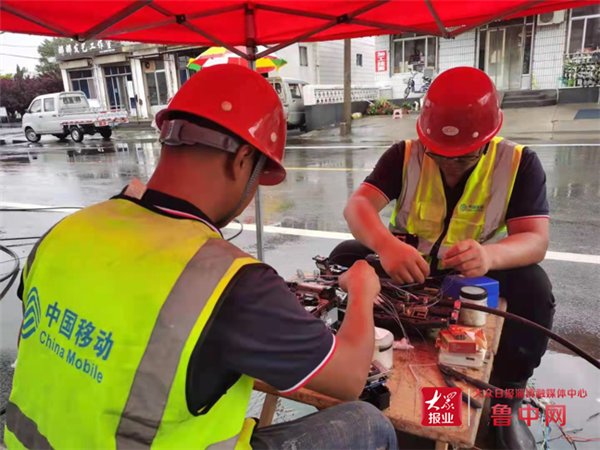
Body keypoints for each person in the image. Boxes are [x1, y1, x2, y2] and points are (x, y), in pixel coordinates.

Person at [5, 65, 397, 450]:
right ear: (242, 160)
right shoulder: (227, 282)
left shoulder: (65, 232)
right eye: (258, 176)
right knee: (368, 423)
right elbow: (348, 378)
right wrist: (361, 291)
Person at [333, 66, 554, 450]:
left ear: (488, 140)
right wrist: (386, 246)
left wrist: (489, 255)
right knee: (344, 258)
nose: (450, 165)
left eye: (463, 159)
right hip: (409, 270)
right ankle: (346, 360)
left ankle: (506, 397)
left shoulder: (518, 163)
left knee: (534, 286)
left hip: (472, 277)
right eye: (440, 155)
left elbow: (535, 240)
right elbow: (358, 207)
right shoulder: (404, 155)